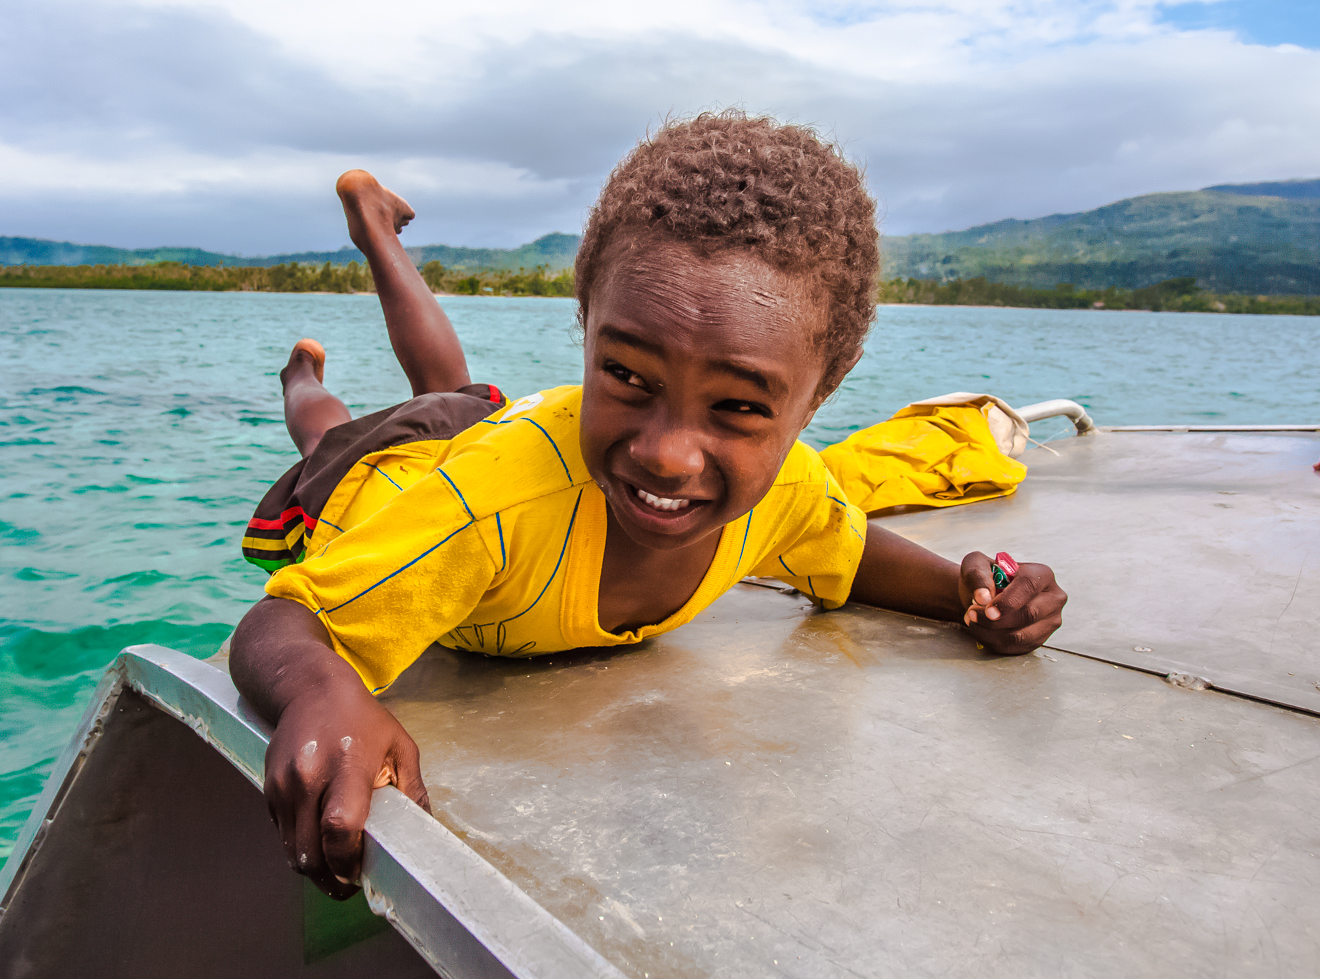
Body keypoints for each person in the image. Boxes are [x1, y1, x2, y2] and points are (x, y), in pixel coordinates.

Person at [231, 113, 1068, 900]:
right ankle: (302, 373)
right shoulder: (484, 514)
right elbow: (280, 625)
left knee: (449, 388)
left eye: (738, 406)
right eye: (627, 375)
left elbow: (849, 554)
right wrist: (320, 692)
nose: (668, 454)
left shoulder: (789, 487)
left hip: (498, 445)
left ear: (820, 396)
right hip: (392, 482)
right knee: (331, 433)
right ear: (586, 326)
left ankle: (377, 224)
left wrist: (969, 593)